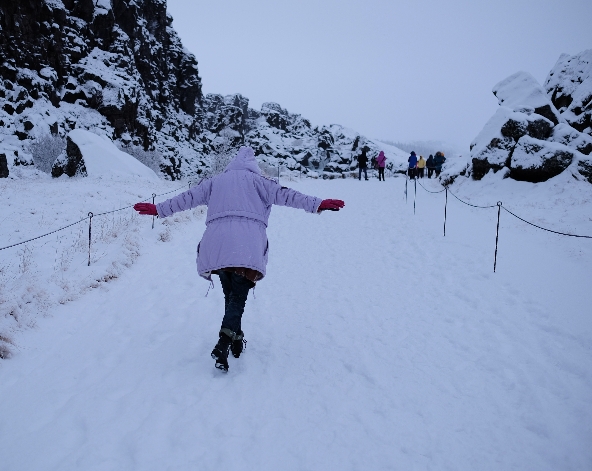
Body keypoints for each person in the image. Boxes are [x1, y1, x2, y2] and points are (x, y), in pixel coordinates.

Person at [133, 146, 345, 372]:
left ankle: (236, 338)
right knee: (238, 299)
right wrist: (317, 204)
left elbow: (188, 198)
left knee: (231, 296)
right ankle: (223, 342)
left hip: (217, 245)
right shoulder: (262, 182)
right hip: (246, 246)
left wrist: (159, 209)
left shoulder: (215, 182)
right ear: (253, 165)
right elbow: (289, 195)